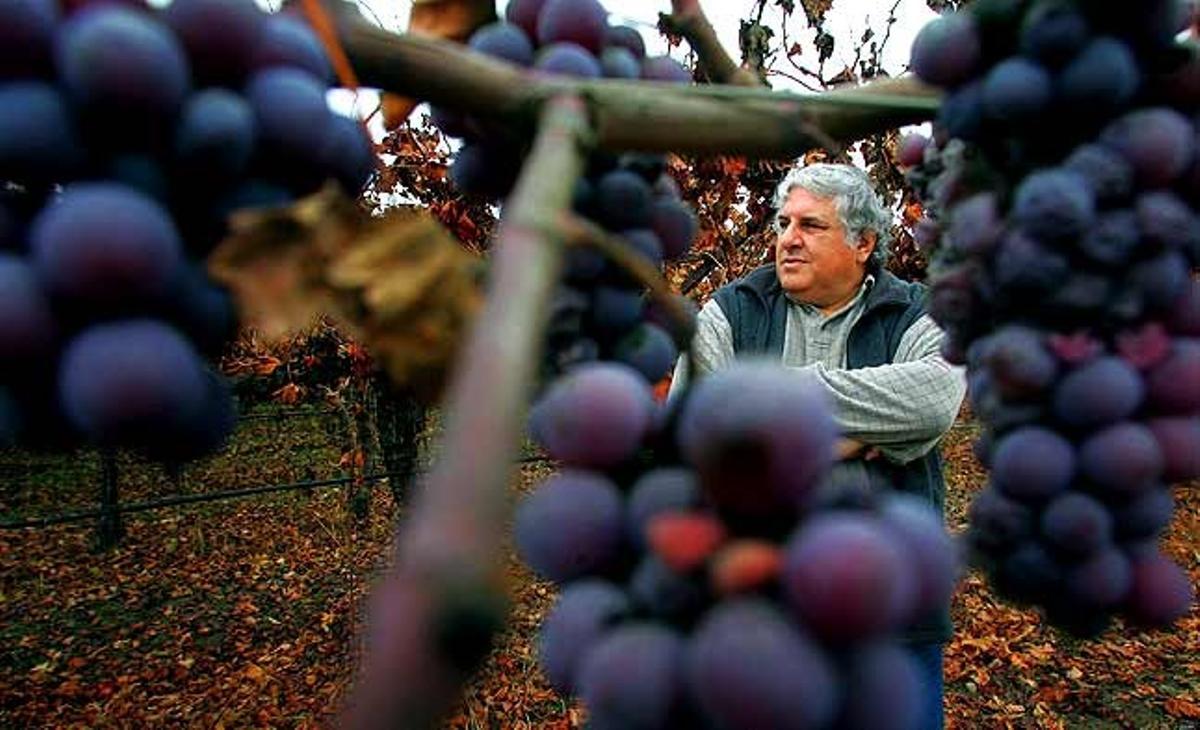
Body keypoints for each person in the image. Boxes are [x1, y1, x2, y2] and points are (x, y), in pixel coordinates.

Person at [670, 162, 966, 730]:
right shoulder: (731, 311)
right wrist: (857, 437)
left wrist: (770, 396)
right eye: (783, 223)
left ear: (864, 243)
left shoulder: (918, 313)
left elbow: (933, 402)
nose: (788, 239)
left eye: (811, 225)